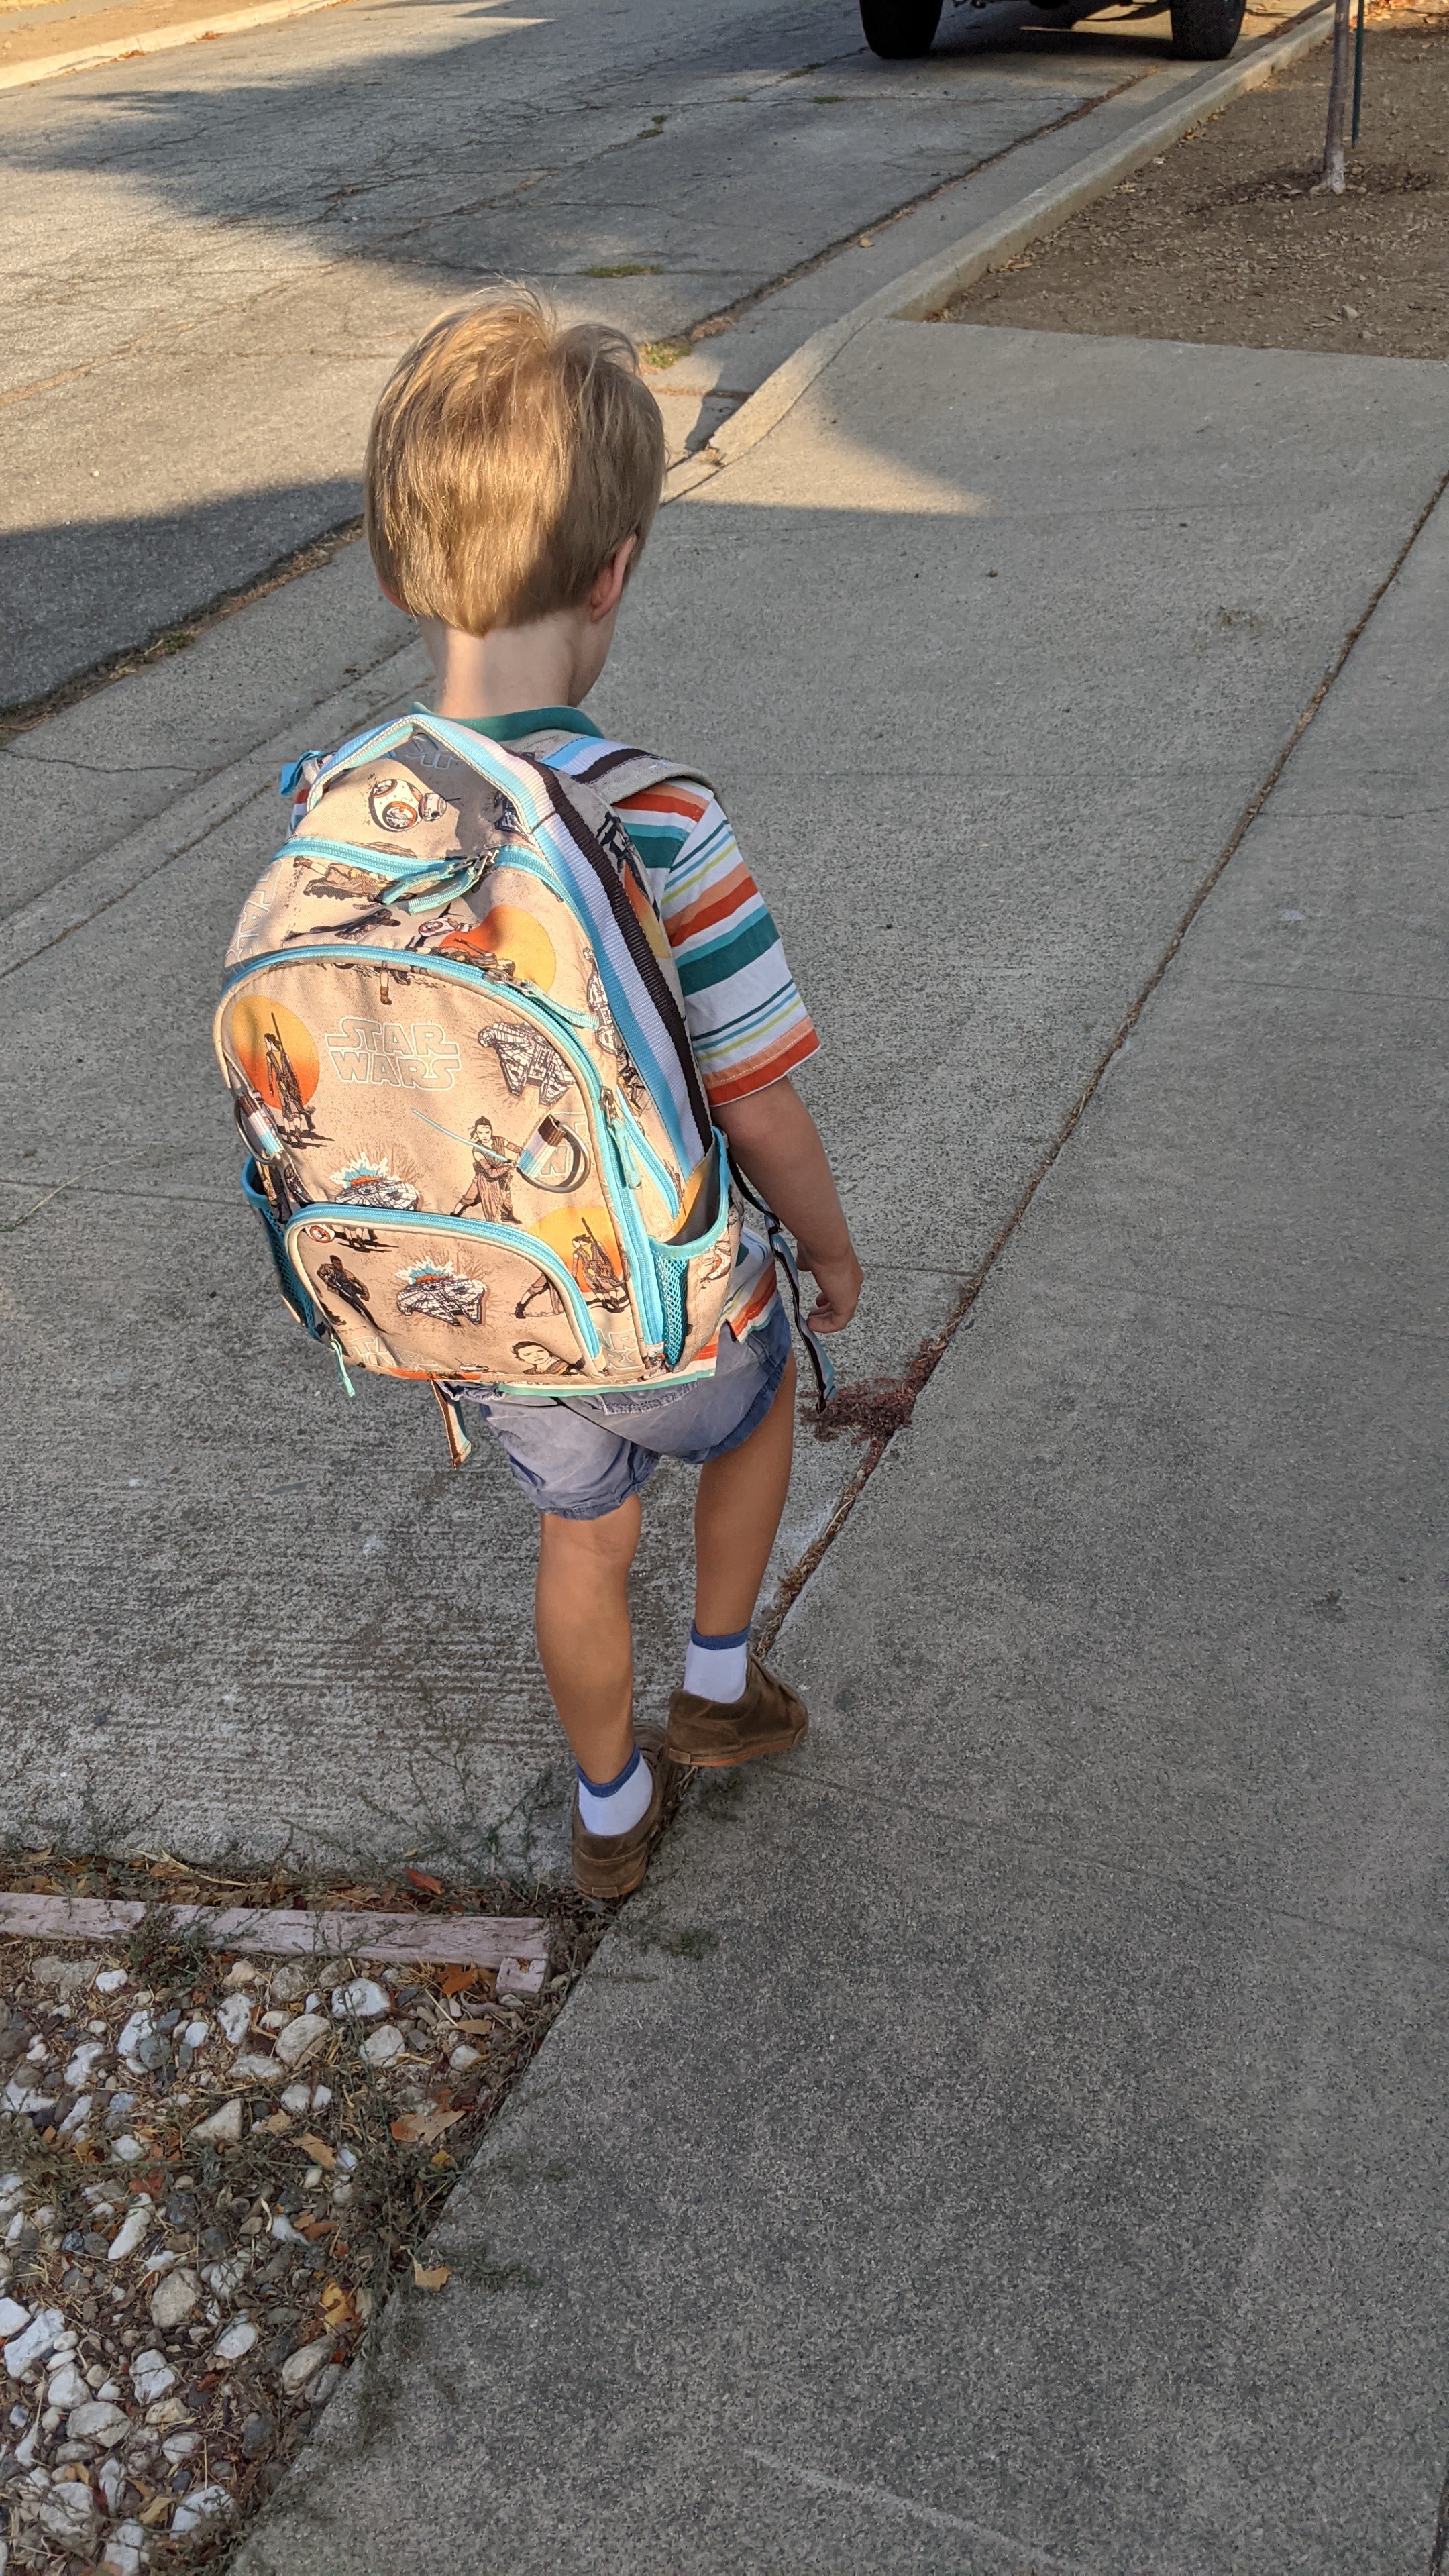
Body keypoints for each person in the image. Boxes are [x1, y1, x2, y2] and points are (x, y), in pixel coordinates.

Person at [365, 291, 863, 1898]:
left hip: (498, 1312)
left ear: (396, 570)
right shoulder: (659, 818)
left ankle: (606, 1810)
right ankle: (717, 1685)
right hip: (667, 1309)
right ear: (613, 572)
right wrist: (829, 1249)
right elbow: (760, 1100)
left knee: (581, 1543)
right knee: (760, 1397)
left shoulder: (366, 821)